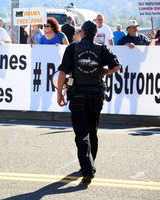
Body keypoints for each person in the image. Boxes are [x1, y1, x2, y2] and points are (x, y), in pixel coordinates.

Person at [57, 20, 121, 184]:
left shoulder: (72, 48)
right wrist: (105, 71)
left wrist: (59, 94)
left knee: (81, 135)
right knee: (92, 131)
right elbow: (117, 66)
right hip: (96, 95)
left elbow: (63, 72)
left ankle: (87, 170)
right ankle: (90, 164)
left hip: (78, 95)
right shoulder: (101, 48)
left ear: (83, 32)